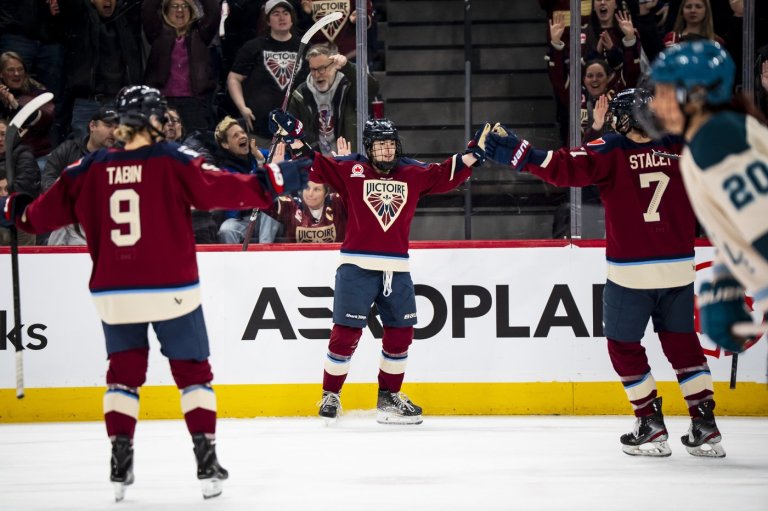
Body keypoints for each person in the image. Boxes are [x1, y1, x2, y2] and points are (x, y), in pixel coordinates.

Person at [0, 85, 310, 500]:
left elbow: (34, 218)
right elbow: (222, 189)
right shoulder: (172, 160)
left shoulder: (85, 169)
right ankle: (205, 461)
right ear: (151, 120)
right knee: (192, 374)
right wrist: (272, 179)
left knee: (123, 379)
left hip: (114, 292)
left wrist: (13, 206)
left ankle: (119, 461)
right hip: (171, 287)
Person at [482, 89, 726, 458]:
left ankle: (649, 422)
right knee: (683, 346)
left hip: (631, 273)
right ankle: (704, 423)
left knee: (623, 345)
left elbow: (559, 166)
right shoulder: (682, 146)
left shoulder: (609, 148)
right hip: (678, 268)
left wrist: (519, 152)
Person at [269, 109, 488, 425]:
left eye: (390, 144)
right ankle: (330, 395)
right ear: (369, 147)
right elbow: (314, 163)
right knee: (345, 335)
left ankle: (388, 397)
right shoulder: (351, 169)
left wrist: (473, 155)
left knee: (401, 334)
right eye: (380, 145)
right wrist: (295, 139)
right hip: (356, 267)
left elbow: (442, 174)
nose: (387, 150)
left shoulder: (411, 172)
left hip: (397, 269)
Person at [646, 40, 768, 356]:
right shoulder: (717, 133)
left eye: (664, 93)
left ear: (695, 96)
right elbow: (748, 222)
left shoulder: (715, 139)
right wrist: (727, 278)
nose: (655, 105)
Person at [58, 0, 144, 139]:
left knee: (121, 156)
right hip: (87, 102)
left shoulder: (127, 19)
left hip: (119, 103)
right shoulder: (80, 19)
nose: (108, 1)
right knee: (83, 155)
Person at [227, 0, 305, 144]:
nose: (282, 17)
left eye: (285, 13)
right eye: (276, 14)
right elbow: (234, 78)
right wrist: (242, 107)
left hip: (297, 132)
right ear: (268, 21)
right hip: (260, 132)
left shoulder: (304, 47)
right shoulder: (253, 47)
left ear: (292, 18)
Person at [41, 106, 119, 245]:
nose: (114, 132)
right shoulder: (69, 149)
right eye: (108, 125)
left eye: (117, 127)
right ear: (92, 126)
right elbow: (48, 178)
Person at [142, 0, 220, 133]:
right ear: (165, 11)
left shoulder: (200, 34)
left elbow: (214, 12)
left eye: (185, 6)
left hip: (194, 103)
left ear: (191, 11)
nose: (180, 10)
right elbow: (148, 9)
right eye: (175, 6)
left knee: (195, 147)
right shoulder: (157, 32)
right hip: (162, 102)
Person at [288, 42, 379, 155]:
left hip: (348, 159)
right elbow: (291, 129)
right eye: (313, 69)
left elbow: (372, 88)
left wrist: (347, 67)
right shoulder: (300, 94)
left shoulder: (348, 85)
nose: (317, 75)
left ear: (334, 66)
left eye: (321, 68)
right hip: (316, 163)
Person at [213, 115, 283, 244]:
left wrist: (277, 166)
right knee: (226, 230)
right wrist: (262, 165)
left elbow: (282, 164)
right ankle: (234, 264)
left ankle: (264, 251)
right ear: (225, 144)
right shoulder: (225, 172)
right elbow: (237, 207)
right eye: (235, 136)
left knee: (273, 197)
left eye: (242, 132)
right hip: (244, 220)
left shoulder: (259, 154)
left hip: (268, 220)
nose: (242, 136)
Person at [263, 142, 347, 242]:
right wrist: (272, 177)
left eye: (316, 189)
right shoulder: (291, 207)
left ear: (326, 192)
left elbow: (356, 198)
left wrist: (345, 170)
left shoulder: (337, 204)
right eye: (307, 188)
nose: (310, 193)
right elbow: (263, 201)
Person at [162, 107, 219, 244]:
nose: (170, 124)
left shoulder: (196, 149)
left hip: (197, 226)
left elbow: (207, 175)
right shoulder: (149, 154)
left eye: (174, 121)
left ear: (181, 126)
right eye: (166, 120)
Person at [0, 51, 55, 166]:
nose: (16, 74)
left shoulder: (40, 93)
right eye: (11, 70)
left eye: (20, 69)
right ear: (1, 74)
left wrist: (15, 105)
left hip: (36, 156)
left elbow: (45, 120)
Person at [0, 117, 38, 246]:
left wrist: (7, 190)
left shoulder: (23, 154)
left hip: (17, 216)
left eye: (3, 134)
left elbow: (27, 184)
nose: (0, 139)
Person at [299, 0, 373, 59]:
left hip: (350, 55)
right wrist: (305, 13)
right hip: (316, 57)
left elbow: (367, 18)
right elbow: (296, 26)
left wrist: (360, 17)